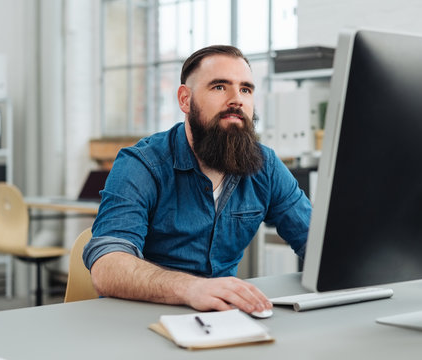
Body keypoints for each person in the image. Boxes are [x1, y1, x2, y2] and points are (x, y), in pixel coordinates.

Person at [83, 45, 312, 315]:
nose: (236, 99)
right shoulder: (142, 164)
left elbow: (315, 242)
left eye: (246, 89)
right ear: (185, 99)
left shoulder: (266, 165)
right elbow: (108, 266)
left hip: (224, 322)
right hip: (141, 320)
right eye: (219, 87)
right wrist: (191, 288)